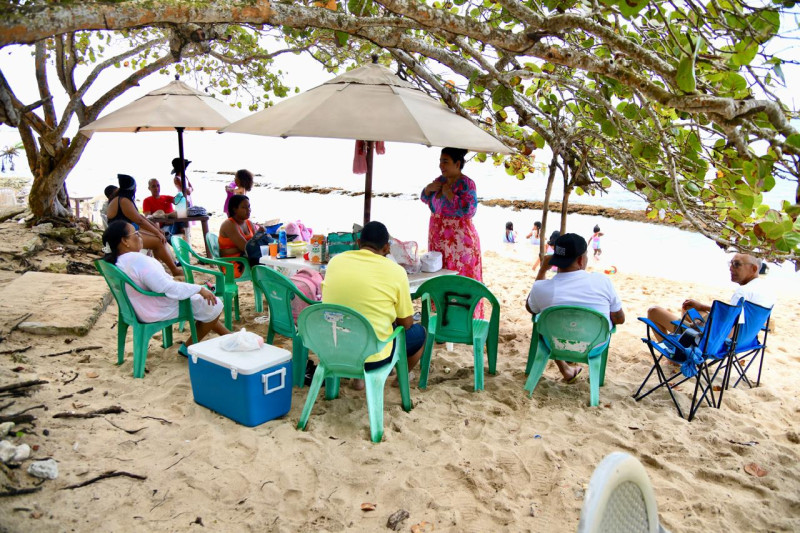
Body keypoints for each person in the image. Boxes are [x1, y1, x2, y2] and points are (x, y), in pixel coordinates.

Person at [322, 221, 426, 390]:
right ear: (386, 248)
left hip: (334, 349)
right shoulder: (396, 271)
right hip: (374, 357)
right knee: (420, 334)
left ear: (358, 243)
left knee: (361, 321)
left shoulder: (335, 262)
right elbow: (406, 324)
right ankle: (400, 378)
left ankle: (358, 380)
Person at [102, 221, 230, 355]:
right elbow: (164, 287)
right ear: (125, 241)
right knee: (213, 303)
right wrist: (199, 289)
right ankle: (188, 348)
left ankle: (227, 334)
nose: (140, 236)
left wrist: (193, 289)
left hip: (136, 307)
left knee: (203, 304)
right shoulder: (137, 260)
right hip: (152, 309)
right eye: (136, 233)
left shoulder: (117, 260)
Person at [526, 233, 625, 382]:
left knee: (545, 323)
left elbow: (531, 309)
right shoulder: (602, 281)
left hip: (554, 344)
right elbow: (619, 319)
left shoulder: (541, 288)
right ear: (581, 259)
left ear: (554, 259)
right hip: (594, 347)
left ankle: (565, 369)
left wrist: (542, 270)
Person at [646, 253, 775, 337]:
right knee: (689, 308)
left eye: (736, 264)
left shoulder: (743, 293)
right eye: (730, 263)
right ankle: (682, 346)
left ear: (753, 269)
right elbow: (736, 316)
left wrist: (700, 327)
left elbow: (728, 331)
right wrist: (702, 307)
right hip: (745, 340)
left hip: (710, 340)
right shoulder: (767, 291)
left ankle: (675, 355)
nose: (731, 268)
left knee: (653, 311)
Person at [421, 147, 483, 312]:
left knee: (460, 279)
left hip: (459, 242)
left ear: (457, 163)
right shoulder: (440, 180)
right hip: (438, 239)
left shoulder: (467, 184)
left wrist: (450, 195)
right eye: (440, 161)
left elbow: (470, 211)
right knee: (439, 276)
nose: (441, 165)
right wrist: (427, 189)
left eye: (445, 161)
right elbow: (425, 199)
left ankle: (463, 318)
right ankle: (440, 318)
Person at [106, 174, 183, 277]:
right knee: (159, 241)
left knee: (158, 236)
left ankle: (159, 266)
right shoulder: (123, 201)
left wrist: (157, 230)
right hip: (121, 238)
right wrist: (157, 232)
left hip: (123, 234)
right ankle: (174, 270)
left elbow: (141, 217)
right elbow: (139, 221)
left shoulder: (120, 199)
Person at [218, 194, 258, 278]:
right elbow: (246, 248)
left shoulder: (249, 223)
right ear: (235, 209)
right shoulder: (229, 224)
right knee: (266, 266)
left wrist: (260, 234)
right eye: (244, 207)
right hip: (234, 263)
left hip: (246, 258)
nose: (248, 210)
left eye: (249, 207)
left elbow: (255, 244)